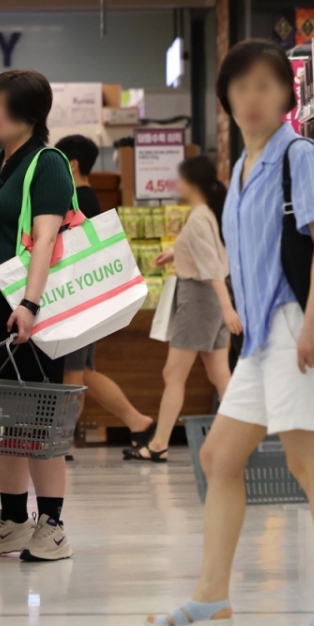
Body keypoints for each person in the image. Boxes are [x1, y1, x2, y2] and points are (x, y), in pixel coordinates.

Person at [146, 39, 314, 626]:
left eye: (266, 85)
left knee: (307, 459)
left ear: (286, 96)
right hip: (262, 336)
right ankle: (211, 600)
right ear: (225, 99)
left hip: (301, 324)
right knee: (219, 458)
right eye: (241, 87)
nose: (252, 97)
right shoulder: (241, 170)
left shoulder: (301, 157)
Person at [0, 70, 74, 562]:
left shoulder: (48, 164)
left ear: (25, 111)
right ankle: (11, 520)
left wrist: (29, 303)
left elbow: (46, 237)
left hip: (25, 307)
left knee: (35, 417)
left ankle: (52, 525)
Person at [126, 156, 239, 462]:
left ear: (191, 184)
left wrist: (228, 309)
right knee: (220, 375)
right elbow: (212, 255)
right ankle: (239, 439)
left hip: (201, 299)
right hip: (212, 298)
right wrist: (174, 253)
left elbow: (211, 266)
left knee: (173, 373)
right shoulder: (208, 214)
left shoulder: (200, 217)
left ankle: (160, 443)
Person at [53, 134, 154, 456]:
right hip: (84, 300)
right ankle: (139, 423)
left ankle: (62, 441)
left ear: (72, 164)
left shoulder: (77, 201)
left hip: (76, 302)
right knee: (83, 373)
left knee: (73, 374)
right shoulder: (89, 198)